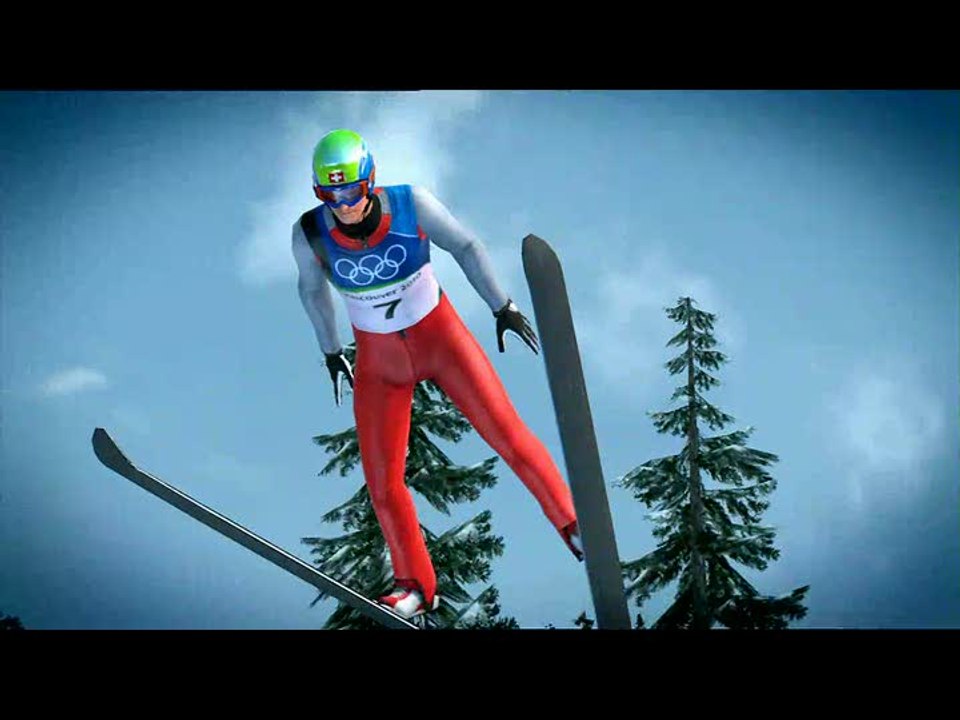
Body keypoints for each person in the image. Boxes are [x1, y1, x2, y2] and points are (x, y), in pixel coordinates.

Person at [292, 129, 582, 620]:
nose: (342, 205)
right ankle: (416, 588)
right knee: (383, 483)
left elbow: (465, 245)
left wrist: (501, 305)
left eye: (351, 191)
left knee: (506, 434)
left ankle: (574, 527)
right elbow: (312, 291)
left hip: (441, 340)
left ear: (370, 181)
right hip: (379, 362)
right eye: (329, 194)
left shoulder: (412, 203)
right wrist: (329, 350)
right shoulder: (310, 232)